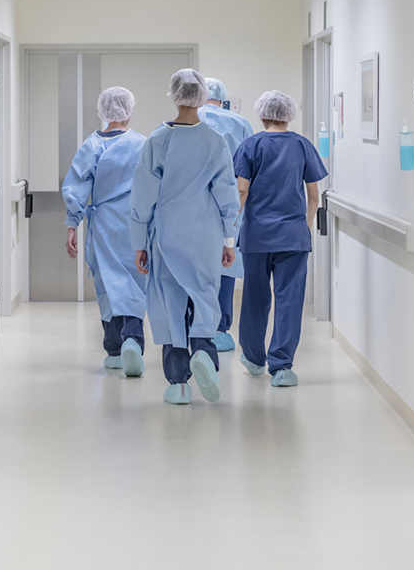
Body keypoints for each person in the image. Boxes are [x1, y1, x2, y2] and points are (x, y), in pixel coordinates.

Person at [130, 69, 240, 405]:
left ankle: (177, 383)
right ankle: (204, 351)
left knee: (169, 304)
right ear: (203, 95)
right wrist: (228, 240)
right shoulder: (214, 141)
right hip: (204, 236)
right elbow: (228, 196)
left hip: (166, 237)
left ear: (175, 96)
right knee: (205, 296)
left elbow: (142, 197)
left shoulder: (156, 142)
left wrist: (139, 243)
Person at [233, 90, 327, 387]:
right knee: (289, 300)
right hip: (292, 237)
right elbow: (314, 195)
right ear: (289, 116)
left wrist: (230, 228)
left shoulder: (251, 145)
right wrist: (306, 226)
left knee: (254, 298)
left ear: (262, 115)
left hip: (257, 235)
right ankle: (282, 366)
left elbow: (241, 192)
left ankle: (253, 357)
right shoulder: (302, 145)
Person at [63, 87, 149, 377]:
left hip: (102, 224)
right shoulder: (142, 144)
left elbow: (76, 188)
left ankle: (113, 349)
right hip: (136, 223)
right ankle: (133, 341)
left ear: (103, 111)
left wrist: (72, 224)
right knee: (135, 282)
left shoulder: (92, 145)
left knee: (108, 284)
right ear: (129, 110)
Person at [198, 77, 254, 353]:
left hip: (191, 204)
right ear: (223, 98)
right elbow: (250, 170)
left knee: (192, 265)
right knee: (226, 260)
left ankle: (194, 326)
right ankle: (219, 330)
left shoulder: (186, 120)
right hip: (231, 203)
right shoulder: (240, 124)